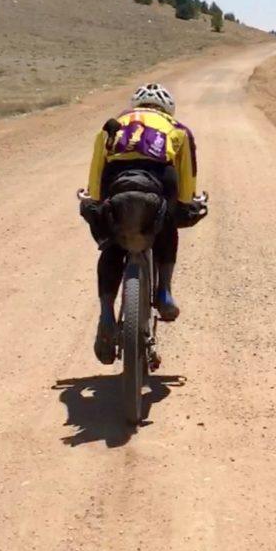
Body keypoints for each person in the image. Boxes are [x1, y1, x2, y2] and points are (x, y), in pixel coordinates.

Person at [80, 83, 201, 364]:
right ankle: (164, 292)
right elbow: (186, 181)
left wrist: (95, 205)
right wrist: (186, 204)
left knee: (112, 242)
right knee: (168, 222)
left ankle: (107, 313)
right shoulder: (178, 129)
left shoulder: (112, 126)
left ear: (135, 105)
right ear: (167, 109)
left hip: (117, 181)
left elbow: (96, 177)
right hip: (159, 181)